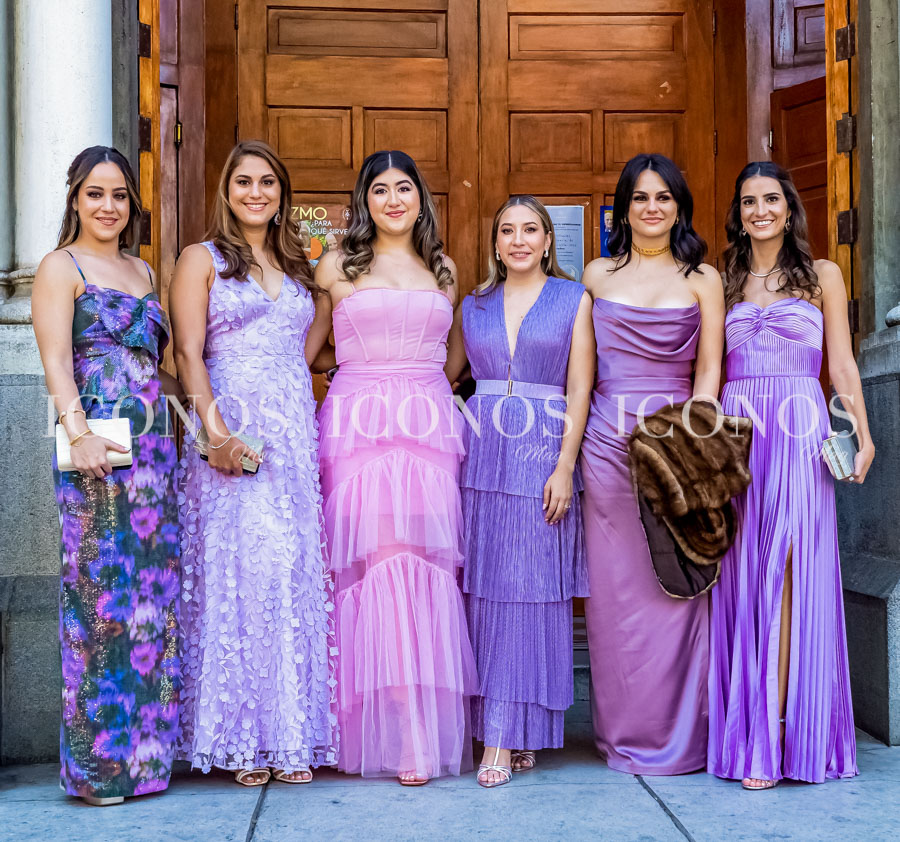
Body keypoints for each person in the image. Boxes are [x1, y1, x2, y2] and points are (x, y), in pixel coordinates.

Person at [170, 140, 337, 786]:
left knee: (288, 573)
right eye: (244, 182)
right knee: (243, 574)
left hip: (291, 436)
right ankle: (243, 739)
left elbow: (305, 348)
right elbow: (187, 353)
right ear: (227, 190)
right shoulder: (202, 258)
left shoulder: (297, 265)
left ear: (281, 193)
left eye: (267, 182)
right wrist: (216, 434)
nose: (256, 192)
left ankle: (288, 735)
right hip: (231, 428)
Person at [708, 162, 873, 789]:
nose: (760, 211)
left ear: (789, 207)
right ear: (738, 213)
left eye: (771, 199)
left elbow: (843, 366)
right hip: (739, 431)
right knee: (747, 577)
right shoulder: (723, 279)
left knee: (788, 571)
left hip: (801, 429)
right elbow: (708, 368)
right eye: (749, 201)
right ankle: (755, 731)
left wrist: (862, 434)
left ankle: (781, 736)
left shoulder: (822, 274)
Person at [316, 150, 477, 785]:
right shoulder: (337, 264)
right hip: (358, 425)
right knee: (372, 567)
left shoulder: (443, 268)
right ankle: (382, 731)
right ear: (365, 200)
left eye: (403, 188)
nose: (392, 200)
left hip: (429, 424)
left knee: (425, 568)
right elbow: (309, 346)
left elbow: (455, 355)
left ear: (420, 198)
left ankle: (420, 731)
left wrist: (423, 386)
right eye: (379, 189)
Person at [32, 146, 182, 804]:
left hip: (153, 456)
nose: (108, 206)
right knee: (100, 606)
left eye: (119, 195)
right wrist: (79, 433)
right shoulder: (58, 267)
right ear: (75, 198)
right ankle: (98, 772)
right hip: (94, 450)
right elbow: (56, 362)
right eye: (95, 193)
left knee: (151, 606)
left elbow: (156, 368)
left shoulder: (142, 269)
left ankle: (146, 764)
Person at [580, 153, 725, 775]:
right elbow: (582, 370)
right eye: (640, 197)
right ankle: (622, 735)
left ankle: (683, 738)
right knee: (616, 597)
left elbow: (710, 367)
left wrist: (690, 443)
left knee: (679, 585)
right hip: (606, 447)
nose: (652, 207)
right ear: (622, 208)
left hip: (675, 444)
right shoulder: (597, 274)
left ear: (679, 206)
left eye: (663, 197)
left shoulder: (703, 279)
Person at [445, 195, 594, 787]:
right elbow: (444, 373)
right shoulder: (474, 304)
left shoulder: (573, 299)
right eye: (507, 231)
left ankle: (507, 736)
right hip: (482, 456)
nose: (519, 240)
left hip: (543, 452)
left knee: (532, 591)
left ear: (548, 240)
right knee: (487, 592)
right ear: (496, 243)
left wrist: (565, 466)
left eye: (531, 229)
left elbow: (580, 386)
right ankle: (505, 729)